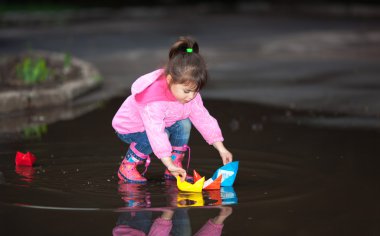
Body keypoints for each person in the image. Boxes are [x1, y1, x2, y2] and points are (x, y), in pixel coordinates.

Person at [112, 36, 233, 183]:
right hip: (130, 127)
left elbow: (204, 119)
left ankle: (175, 167)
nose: (191, 96)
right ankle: (128, 165)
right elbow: (155, 131)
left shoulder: (191, 96)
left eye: (196, 91)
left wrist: (221, 148)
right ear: (169, 80)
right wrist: (166, 161)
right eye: (187, 91)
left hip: (162, 122)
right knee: (155, 136)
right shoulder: (154, 101)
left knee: (184, 124)